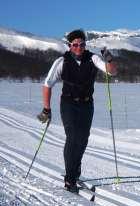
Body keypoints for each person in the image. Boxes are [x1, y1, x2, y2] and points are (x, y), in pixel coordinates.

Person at [37, 29, 117, 193]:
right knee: (72, 137)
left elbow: (112, 72)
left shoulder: (92, 58)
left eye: (82, 44)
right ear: (69, 46)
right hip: (68, 104)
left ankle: (75, 167)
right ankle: (70, 177)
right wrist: (46, 108)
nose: (79, 47)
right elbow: (47, 84)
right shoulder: (62, 61)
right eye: (75, 45)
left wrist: (108, 58)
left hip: (87, 104)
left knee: (83, 139)